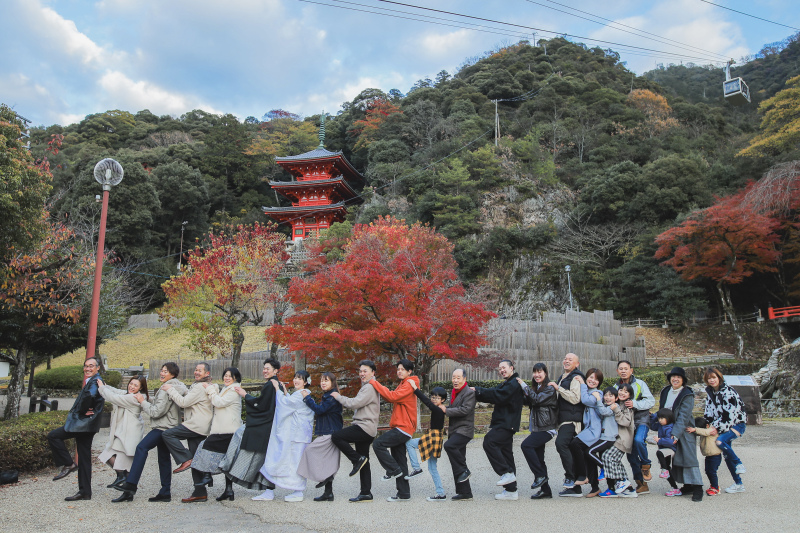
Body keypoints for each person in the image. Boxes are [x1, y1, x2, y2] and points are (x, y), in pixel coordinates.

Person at [113, 362, 187, 502]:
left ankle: (131, 486)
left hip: (163, 427)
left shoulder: (166, 389)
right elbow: (162, 405)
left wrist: (142, 401)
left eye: (165, 371)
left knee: (142, 448)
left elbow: (156, 412)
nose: (162, 373)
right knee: (163, 459)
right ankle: (165, 492)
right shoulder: (172, 386)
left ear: (172, 374)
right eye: (162, 370)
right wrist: (148, 399)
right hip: (168, 426)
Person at [218, 358, 284, 501]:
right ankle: (267, 490)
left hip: (265, 425)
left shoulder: (271, 384)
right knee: (263, 457)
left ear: (275, 370)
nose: (265, 371)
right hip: (268, 424)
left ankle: (226, 466)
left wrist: (245, 395)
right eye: (264, 368)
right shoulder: (275, 384)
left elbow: (261, 405)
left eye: (268, 368)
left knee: (250, 447)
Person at [47, 357, 105, 501]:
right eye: (86, 366)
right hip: (87, 425)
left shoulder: (95, 381)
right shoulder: (93, 380)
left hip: (82, 424)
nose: (88, 368)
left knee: (53, 436)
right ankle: (85, 492)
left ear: (98, 367)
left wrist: (82, 411)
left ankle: (69, 463)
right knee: (84, 458)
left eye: (91, 366)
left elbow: (90, 395)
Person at [255, 370, 315, 502]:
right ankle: (295, 490)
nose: (296, 380)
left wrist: (277, 389)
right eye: (295, 378)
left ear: (305, 382)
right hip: (299, 434)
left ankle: (298, 491)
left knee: (295, 462)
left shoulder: (301, 394)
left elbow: (285, 405)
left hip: (297, 434)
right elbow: (290, 402)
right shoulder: (301, 394)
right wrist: (285, 393)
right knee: (294, 461)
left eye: (300, 378)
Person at [162, 362, 217, 503]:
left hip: (196, 425)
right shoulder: (203, 386)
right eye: (196, 370)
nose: (196, 372)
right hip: (201, 426)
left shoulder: (200, 387)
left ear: (207, 374)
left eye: (200, 370)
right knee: (197, 458)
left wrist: (170, 389)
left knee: (168, 434)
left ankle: (185, 459)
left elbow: (184, 403)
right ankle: (200, 492)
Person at [473, 359, 524, 500]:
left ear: (511, 368)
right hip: (505, 422)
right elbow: (496, 391)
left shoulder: (514, 383)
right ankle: (511, 491)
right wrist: (480, 391)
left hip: (506, 423)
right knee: (506, 453)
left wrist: (478, 391)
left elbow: (497, 395)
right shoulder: (508, 383)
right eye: (500, 368)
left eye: (504, 367)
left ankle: (506, 472)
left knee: (489, 442)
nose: (501, 370)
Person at [330, 360, 381, 503]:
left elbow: (354, 404)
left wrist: (338, 397)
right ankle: (366, 493)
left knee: (337, 437)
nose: (362, 374)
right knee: (365, 461)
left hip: (364, 427)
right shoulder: (368, 386)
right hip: (368, 427)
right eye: (360, 371)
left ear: (373, 372)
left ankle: (356, 459)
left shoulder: (369, 387)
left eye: (365, 371)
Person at [370, 359, 420, 502]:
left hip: (404, 428)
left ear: (409, 371)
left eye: (402, 369)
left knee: (378, 444)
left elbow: (392, 397)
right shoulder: (403, 384)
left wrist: (374, 382)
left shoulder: (410, 384)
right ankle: (404, 493)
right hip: (401, 426)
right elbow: (393, 394)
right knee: (400, 459)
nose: (399, 371)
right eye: (398, 369)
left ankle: (393, 470)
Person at [191, 367, 243, 497]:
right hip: (224, 430)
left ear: (235, 378)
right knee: (227, 459)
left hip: (228, 430)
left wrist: (209, 390)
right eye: (225, 375)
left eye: (230, 376)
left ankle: (208, 475)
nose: (226, 378)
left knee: (204, 445)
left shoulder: (234, 390)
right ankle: (229, 490)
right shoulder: (227, 389)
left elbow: (218, 402)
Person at [297, 372, 344, 502]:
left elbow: (320, 410)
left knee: (310, 450)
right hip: (330, 431)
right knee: (328, 461)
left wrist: (307, 398)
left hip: (330, 432)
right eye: (322, 380)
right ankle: (328, 492)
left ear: (332, 383)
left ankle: (325, 478)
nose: (323, 383)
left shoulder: (332, 397)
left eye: (326, 380)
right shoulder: (328, 395)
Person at [659, 367, 703, 502]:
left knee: (689, 458)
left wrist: (675, 434)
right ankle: (687, 485)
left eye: (678, 377)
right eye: (673, 376)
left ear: (683, 380)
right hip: (668, 429)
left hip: (684, 429)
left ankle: (698, 487)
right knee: (676, 459)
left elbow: (683, 416)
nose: (675, 379)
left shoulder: (687, 394)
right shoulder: (666, 391)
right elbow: (662, 411)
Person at [96, 374, 147, 489]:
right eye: (131, 383)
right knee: (115, 457)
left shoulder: (133, 398)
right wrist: (105, 386)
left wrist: (102, 388)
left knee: (110, 454)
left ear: (141, 388)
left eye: (136, 385)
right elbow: (118, 391)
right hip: (125, 432)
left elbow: (114, 397)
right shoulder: (129, 394)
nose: (132, 386)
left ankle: (125, 481)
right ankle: (123, 479)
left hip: (130, 433)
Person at [702, 367, 747, 494]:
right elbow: (709, 413)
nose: (712, 380)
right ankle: (739, 484)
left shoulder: (728, 392)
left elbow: (729, 416)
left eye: (714, 377)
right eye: (709, 378)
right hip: (722, 426)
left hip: (736, 424)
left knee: (720, 442)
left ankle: (739, 463)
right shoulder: (711, 393)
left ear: (719, 377)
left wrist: (714, 428)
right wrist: (706, 424)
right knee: (727, 455)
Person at [517, 363, 558, 500]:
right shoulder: (538, 388)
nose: (536, 375)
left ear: (545, 373)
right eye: (534, 372)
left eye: (539, 372)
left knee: (526, 445)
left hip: (546, 428)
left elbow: (536, 400)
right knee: (540, 459)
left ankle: (540, 476)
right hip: (538, 427)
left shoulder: (549, 389)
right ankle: (546, 490)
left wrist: (524, 385)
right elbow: (529, 400)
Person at [615, 360, 656, 495]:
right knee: (631, 455)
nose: (623, 371)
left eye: (626, 368)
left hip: (641, 419)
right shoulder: (616, 387)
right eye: (620, 368)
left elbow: (651, 401)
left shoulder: (640, 384)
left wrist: (635, 404)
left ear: (631, 370)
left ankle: (646, 465)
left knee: (639, 440)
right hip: (627, 424)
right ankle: (641, 484)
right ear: (617, 371)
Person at [406, 381, 447, 501]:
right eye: (433, 397)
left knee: (409, 443)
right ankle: (440, 493)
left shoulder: (438, 410)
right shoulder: (440, 409)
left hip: (434, 437)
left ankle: (416, 467)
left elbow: (426, 402)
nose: (434, 399)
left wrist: (415, 389)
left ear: (443, 400)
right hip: (435, 437)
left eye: (437, 398)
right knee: (432, 468)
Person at [568, 369, 604, 498]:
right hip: (587, 429)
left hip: (593, 430)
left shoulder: (596, 392)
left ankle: (583, 475)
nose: (592, 380)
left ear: (599, 382)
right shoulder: (588, 391)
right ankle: (595, 487)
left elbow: (585, 400)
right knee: (588, 457)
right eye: (590, 377)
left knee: (574, 444)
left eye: (596, 379)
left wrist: (583, 383)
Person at [553, 353, 585, 494]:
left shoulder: (576, 377)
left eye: (570, 360)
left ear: (577, 364)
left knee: (561, 444)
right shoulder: (563, 377)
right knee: (571, 450)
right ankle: (575, 487)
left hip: (572, 420)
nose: (566, 361)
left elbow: (575, 398)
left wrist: (558, 388)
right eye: (565, 358)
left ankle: (570, 477)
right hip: (564, 418)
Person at [443, 368, 476, 501]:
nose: (455, 380)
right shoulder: (454, 392)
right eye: (453, 377)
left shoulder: (469, 392)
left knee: (449, 446)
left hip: (465, 430)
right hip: (455, 430)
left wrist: (446, 410)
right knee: (457, 459)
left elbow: (465, 410)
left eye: (458, 377)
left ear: (464, 379)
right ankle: (465, 492)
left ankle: (464, 470)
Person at [599, 383, 637, 498]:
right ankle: (628, 488)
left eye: (626, 391)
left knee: (607, 457)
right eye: (620, 390)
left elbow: (625, 422)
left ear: (630, 395)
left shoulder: (626, 406)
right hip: (615, 439)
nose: (622, 393)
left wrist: (616, 410)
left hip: (622, 440)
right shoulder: (617, 404)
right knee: (615, 460)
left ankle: (623, 482)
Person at [686, 416, 723, 496]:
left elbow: (705, 432)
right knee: (708, 471)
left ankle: (715, 488)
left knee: (712, 472)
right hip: (709, 456)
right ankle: (713, 486)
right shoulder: (704, 431)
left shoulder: (712, 430)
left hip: (715, 456)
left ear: (707, 425)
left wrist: (695, 429)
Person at [648, 408, 678, 495]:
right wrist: (653, 416)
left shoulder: (670, 427)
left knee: (659, 453)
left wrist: (659, 440)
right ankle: (675, 488)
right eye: (659, 418)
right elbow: (652, 426)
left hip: (670, 449)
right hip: (665, 449)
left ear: (668, 418)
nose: (660, 420)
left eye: (662, 418)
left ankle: (664, 470)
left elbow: (670, 441)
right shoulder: (661, 426)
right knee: (668, 469)